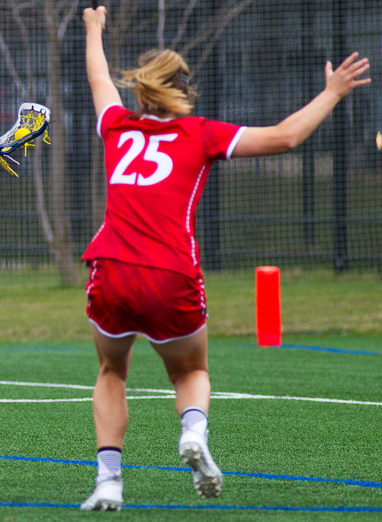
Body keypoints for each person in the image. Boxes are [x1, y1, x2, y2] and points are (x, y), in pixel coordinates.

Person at [79, 5, 369, 511]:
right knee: (190, 371)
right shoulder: (201, 133)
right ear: (184, 92)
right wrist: (332, 92)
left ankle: (108, 481)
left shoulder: (117, 126)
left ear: (142, 91)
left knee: (111, 372)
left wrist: (93, 29)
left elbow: (99, 77)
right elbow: (285, 137)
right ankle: (192, 431)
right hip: (171, 272)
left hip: (112, 269)